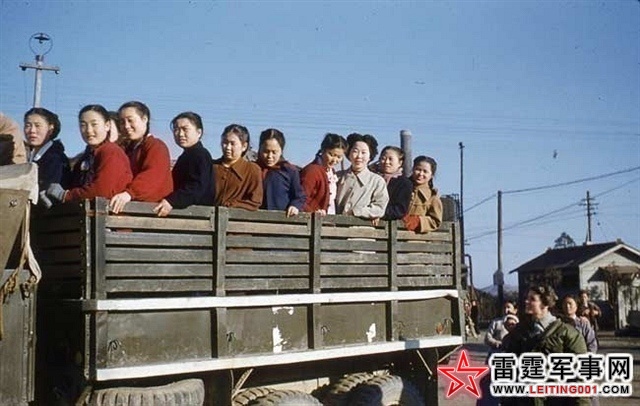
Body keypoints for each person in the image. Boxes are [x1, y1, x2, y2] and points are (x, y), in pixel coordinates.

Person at [502, 285, 588, 406]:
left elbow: (580, 377)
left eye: (532, 299)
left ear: (545, 303)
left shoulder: (567, 333)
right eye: (527, 298)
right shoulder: (519, 333)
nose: (526, 301)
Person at [45, 105, 132, 204]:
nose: (89, 130)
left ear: (107, 126)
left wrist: (66, 195)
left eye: (94, 124)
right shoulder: (86, 157)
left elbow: (101, 190)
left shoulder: (111, 152)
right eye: (83, 125)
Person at [109, 101, 173, 213]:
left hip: (150, 211)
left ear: (144, 119)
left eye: (130, 120)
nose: (126, 126)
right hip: (132, 208)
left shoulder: (156, 146)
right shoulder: (127, 150)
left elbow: (152, 176)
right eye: (122, 122)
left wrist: (129, 193)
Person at [153, 112, 214, 217]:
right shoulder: (187, 155)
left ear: (199, 132)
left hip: (197, 217)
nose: (180, 134)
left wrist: (172, 201)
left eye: (185, 129)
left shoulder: (200, 155)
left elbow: (196, 187)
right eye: (176, 129)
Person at [335, 133, 389, 219]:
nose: (359, 156)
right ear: (348, 154)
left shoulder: (377, 181)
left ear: (370, 156)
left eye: (364, 152)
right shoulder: (337, 177)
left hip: (362, 226)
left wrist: (357, 212)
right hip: (334, 225)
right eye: (355, 151)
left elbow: (379, 207)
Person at [23, 107, 70, 200]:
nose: (32, 130)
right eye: (28, 125)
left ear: (50, 129)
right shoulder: (30, 156)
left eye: (37, 125)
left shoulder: (56, 158)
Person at [256, 128, 306, 216]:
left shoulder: (289, 171)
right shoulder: (253, 169)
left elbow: (299, 196)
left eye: (274, 152)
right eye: (266, 151)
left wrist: (295, 206)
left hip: (281, 220)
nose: (270, 156)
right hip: (254, 219)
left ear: (281, 151)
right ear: (260, 149)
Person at [212, 124, 262, 210]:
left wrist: (233, 204)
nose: (228, 147)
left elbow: (255, 202)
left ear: (244, 146)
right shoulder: (212, 167)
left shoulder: (251, 170)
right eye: (225, 142)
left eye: (232, 144)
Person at [300, 133, 347, 215]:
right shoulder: (312, 171)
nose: (334, 160)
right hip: (313, 220)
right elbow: (300, 199)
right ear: (323, 150)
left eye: (339, 157)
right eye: (331, 154)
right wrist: (312, 212)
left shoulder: (332, 172)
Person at [403, 156, 442, 233]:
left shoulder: (432, 197)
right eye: (418, 169)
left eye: (425, 171)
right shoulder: (401, 187)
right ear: (413, 169)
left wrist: (418, 221)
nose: (420, 174)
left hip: (416, 237)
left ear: (431, 175)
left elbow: (436, 221)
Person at [373, 146, 412, 221]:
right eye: (383, 158)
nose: (386, 162)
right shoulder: (372, 178)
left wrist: (378, 213)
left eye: (390, 159)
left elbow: (399, 210)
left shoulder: (404, 183)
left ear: (400, 162)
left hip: (388, 224)